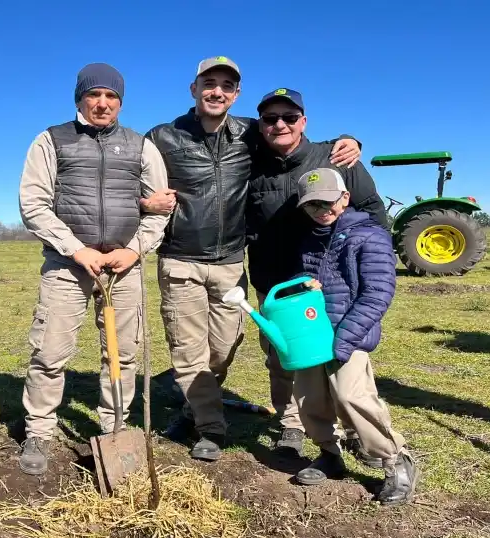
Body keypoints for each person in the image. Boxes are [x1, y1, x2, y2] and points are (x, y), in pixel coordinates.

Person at [143, 56, 361, 462]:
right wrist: (144, 202)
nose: (217, 91)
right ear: (194, 88)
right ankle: (209, 426)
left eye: (227, 85)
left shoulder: (249, 133)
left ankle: (198, 407)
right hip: (180, 258)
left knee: (223, 349)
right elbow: (130, 175)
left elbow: (294, 141)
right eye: (209, 83)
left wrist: (348, 140)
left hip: (230, 262)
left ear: (236, 94)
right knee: (188, 351)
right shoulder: (163, 136)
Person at [16, 62, 172, 475]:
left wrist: (135, 250)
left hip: (123, 267)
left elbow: (160, 208)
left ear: (120, 101)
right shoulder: (51, 140)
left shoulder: (141, 146)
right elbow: (34, 204)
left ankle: (115, 428)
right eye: (94, 94)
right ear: (80, 98)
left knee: (122, 355)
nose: (102, 103)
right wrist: (75, 249)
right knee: (50, 351)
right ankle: (39, 430)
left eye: (111, 96)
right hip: (67, 265)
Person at [245, 87, 389, 465]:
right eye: (270, 118)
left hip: (332, 283)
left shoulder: (335, 156)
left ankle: (356, 433)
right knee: (283, 357)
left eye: (289, 117)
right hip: (278, 285)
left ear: (304, 121)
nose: (280, 124)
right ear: (260, 124)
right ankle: (292, 425)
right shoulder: (250, 161)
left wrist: (365, 262)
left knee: (341, 359)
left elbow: (372, 210)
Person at [285, 167, 418, 506]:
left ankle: (395, 461)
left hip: (350, 336)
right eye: (313, 205)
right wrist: (302, 286)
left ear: (344, 197)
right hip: (313, 337)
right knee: (310, 399)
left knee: (351, 397)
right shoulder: (309, 237)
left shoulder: (369, 236)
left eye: (328, 202)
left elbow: (377, 293)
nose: (321, 210)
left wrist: (344, 339)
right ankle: (329, 454)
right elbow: (306, 282)